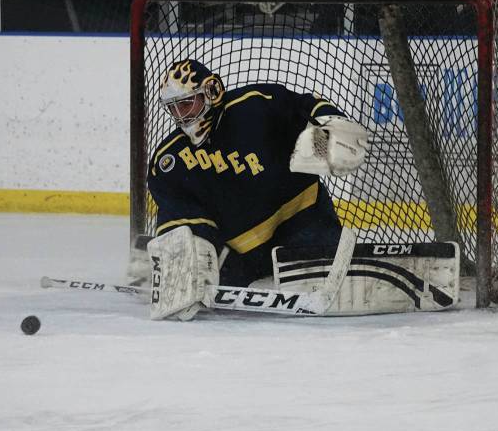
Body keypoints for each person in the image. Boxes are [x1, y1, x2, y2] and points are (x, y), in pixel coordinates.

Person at [146, 59, 368, 311]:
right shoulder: (168, 161)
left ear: (211, 92)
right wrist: (187, 264)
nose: (181, 116)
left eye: (186, 104)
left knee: (325, 272)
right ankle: (146, 265)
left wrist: (332, 124)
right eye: (173, 109)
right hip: (240, 258)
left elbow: (304, 106)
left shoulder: (256, 106)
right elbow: (182, 218)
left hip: (304, 224)